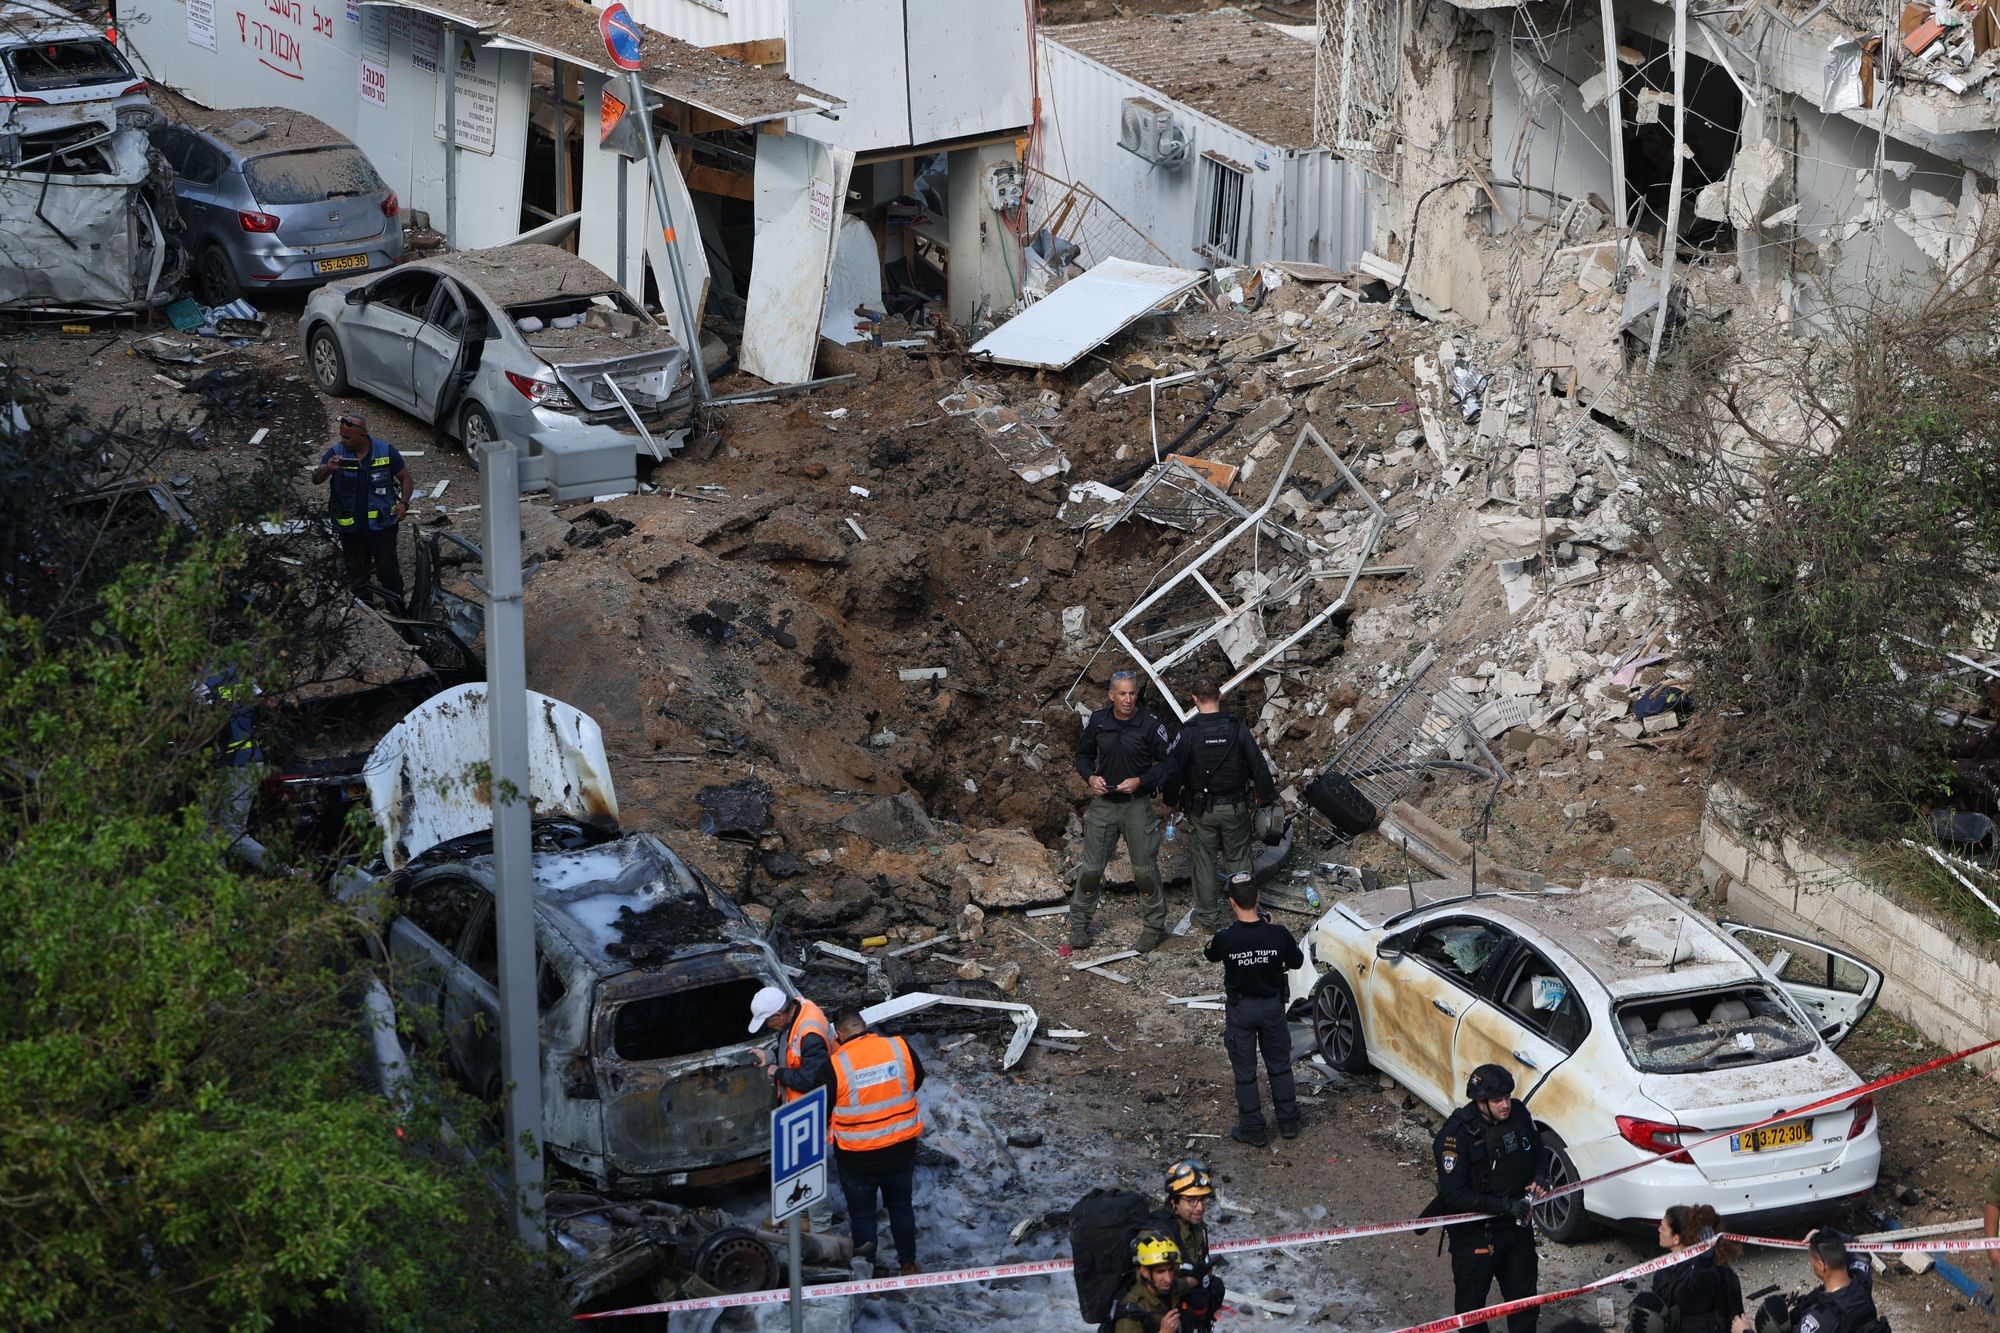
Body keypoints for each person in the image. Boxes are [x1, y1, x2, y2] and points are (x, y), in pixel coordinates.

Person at [1429, 1063, 1547, 1333]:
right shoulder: (1456, 1135)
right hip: (1477, 1234)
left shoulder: (1518, 1114)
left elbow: (1538, 1149)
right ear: (1480, 1102)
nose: (1505, 1105)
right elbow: (1454, 1194)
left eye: (1507, 1097)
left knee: (1524, 1301)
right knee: (1471, 1309)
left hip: (1516, 1227)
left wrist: (1541, 1176)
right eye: (1497, 1100)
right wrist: (1505, 1206)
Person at [1157, 675, 1278, 933]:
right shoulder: (1237, 727)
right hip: (1235, 807)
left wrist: (1170, 802)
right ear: (1219, 695)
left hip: (1201, 811)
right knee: (1240, 861)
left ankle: (1208, 920)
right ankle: (1247, 916)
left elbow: (1174, 772)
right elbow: (1258, 764)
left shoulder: (1188, 732)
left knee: (1204, 863)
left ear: (1194, 699)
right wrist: (1268, 798)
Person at [1068, 669, 1174, 956]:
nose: (1128, 699)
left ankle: (1153, 928)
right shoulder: (1099, 721)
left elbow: (1169, 764)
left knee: (1144, 872)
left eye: (1132, 693)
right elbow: (1082, 755)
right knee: (1091, 870)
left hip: (1137, 806)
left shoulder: (1150, 724)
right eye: (1123, 694)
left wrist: (1142, 781)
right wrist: (1090, 777)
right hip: (1104, 805)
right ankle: (1079, 924)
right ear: (1111, 695)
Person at [818, 1007, 925, 1276]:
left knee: (862, 1217)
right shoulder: (899, 1047)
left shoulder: (835, 1066)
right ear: (864, 1025)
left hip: (857, 1159)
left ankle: (869, 1275)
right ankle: (908, 1264)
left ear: (838, 1034)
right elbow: (917, 1080)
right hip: (900, 1150)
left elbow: (822, 1109)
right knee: (901, 1208)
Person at [1203, 875, 1304, 1147]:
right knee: (1280, 1066)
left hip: (1241, 1010)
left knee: (1245, 1072)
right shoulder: (1277, 934)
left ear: (1231, 902)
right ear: (1258, 897)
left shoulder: (1226, 938)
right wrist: (1275, 929)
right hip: (1272, 1007)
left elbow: (1210, 954)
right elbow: (1297, 961)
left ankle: (1253, 1129)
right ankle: (1288, 1122)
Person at [748, 986, 836, 1230]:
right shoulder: (796, 1012)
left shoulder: (810, 1032)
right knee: (800, 1165)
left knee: (809, 1167)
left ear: (778, 1015)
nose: (768, 1028)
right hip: (800, 1107)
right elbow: (792, 1052)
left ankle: (821, 1227)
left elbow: (812, 1079)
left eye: (768, 1022)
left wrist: (778, 1072)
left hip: (812, 1106)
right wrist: (770, 1057)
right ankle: (802, 1215)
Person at [311, 412, 412, 603]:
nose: (343, 441)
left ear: (362, 436)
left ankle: (398, 612)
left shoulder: (385, 451)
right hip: (351, 531)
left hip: (382, 528)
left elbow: (405, 478)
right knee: (358, 577)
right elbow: (315, 479)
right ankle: (367, 613)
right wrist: (327, 469)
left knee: (389, 574)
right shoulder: (336, 453)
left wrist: (404, 503)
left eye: (347, 437)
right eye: (341, 436)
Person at [1732, 1230, 1877, 1333]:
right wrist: (1825, 1233)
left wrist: (1745, 1331)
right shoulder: (1861, 1281)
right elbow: (1859, 1248)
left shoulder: (1819, 1319)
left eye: (1812, 1262)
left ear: (1821, 1266)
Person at [1629, 1203, 1742, 1333]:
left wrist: (1705, 1260)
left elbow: (1703, 1282)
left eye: (1663, 1228)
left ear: (1676, 1239)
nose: (1659, 1230)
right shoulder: (1666, 1268)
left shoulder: (1699, 1269)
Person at [1162, 1159, 1224, 1332]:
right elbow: (1150, 1288)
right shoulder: (1160, 1237)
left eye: (1203, 1200)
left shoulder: (1196, 1227)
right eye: (1191, 1201)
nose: (1200, 1207)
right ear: (1174, 1201)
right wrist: (1189, 1282)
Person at [1108, 1231, 1183, 1333]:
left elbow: (1185, 1285)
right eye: (1160, 1271)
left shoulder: (1170, 1289)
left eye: (1170, 1270)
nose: (1168, 1279)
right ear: (1144, 1272)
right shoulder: (1131, 1314)